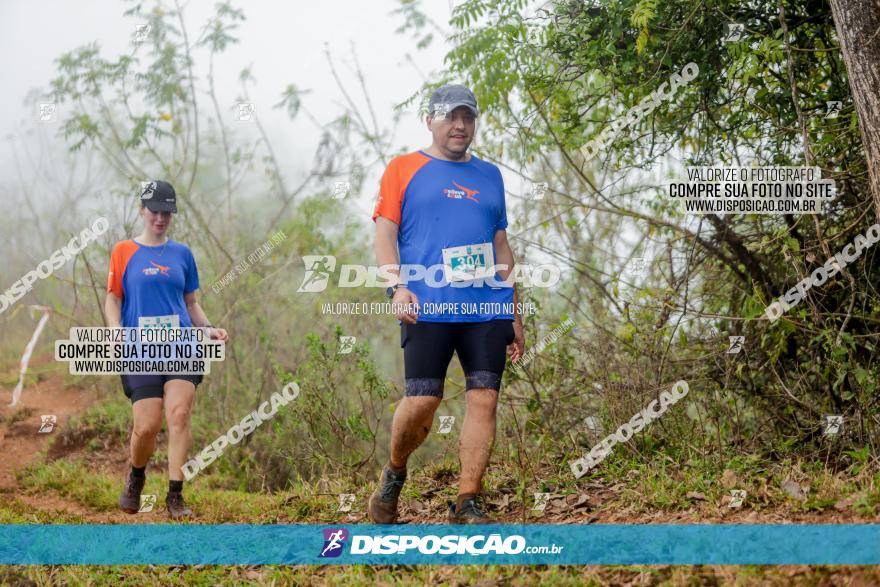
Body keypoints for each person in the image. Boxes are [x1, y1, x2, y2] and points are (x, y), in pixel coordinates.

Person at [368, 84, 525, 524]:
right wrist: (396, 287)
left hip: (485, 308)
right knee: (423, 402)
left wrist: (513, 312)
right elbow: (384, 233)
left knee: (485, 399)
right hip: (427, 303)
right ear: (430, 120)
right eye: (451, 117)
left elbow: (501, 245)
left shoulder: (490, 176)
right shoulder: (403, 168)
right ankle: (395, 473)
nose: (460, 126)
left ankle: (466, 502)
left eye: (468, 118)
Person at [104, 180, 228, 519]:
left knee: (179, 414)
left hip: (182, 346)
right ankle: (136, 475)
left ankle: (175, 495)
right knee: (147, 424)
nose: (161, 218)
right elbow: (113, 297)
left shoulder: (182, 254)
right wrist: (116, 331)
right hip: (139, 349)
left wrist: (209, 328)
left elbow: (191, 303)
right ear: (142, 211)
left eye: (167, 213)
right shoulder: (123, 251)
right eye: (155, 211)